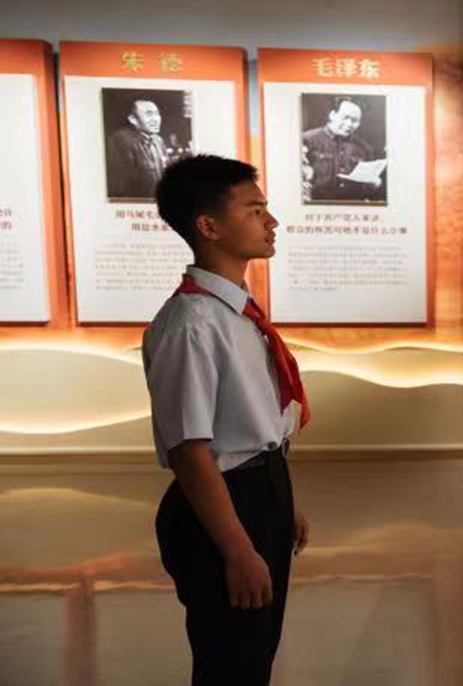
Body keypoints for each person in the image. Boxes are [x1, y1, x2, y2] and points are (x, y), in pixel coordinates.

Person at [145, 155, 311, 685]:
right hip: (224, 505)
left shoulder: (235, 311)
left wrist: (283, 500)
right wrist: (237, 549)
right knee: (230, 663)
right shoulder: (191, 323)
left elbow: (252, 423)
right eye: (254, 210)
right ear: (209, 227)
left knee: (254, 654)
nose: (271, 221)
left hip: (260, 488)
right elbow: (189, 450)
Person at [301, 97, 385, 202]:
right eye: (345, 117)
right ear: (332, 115)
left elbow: (367, 189)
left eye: (355, 121)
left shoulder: (364, 148)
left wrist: (373, 184)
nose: (349, 124)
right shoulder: (306, 140)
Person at [106, 99, 173, 199]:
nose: (155, 119)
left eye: (157, 114)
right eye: (149, 114)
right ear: (133, 119)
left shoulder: (158, 140)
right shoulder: (122, 141)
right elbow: (121, 185)